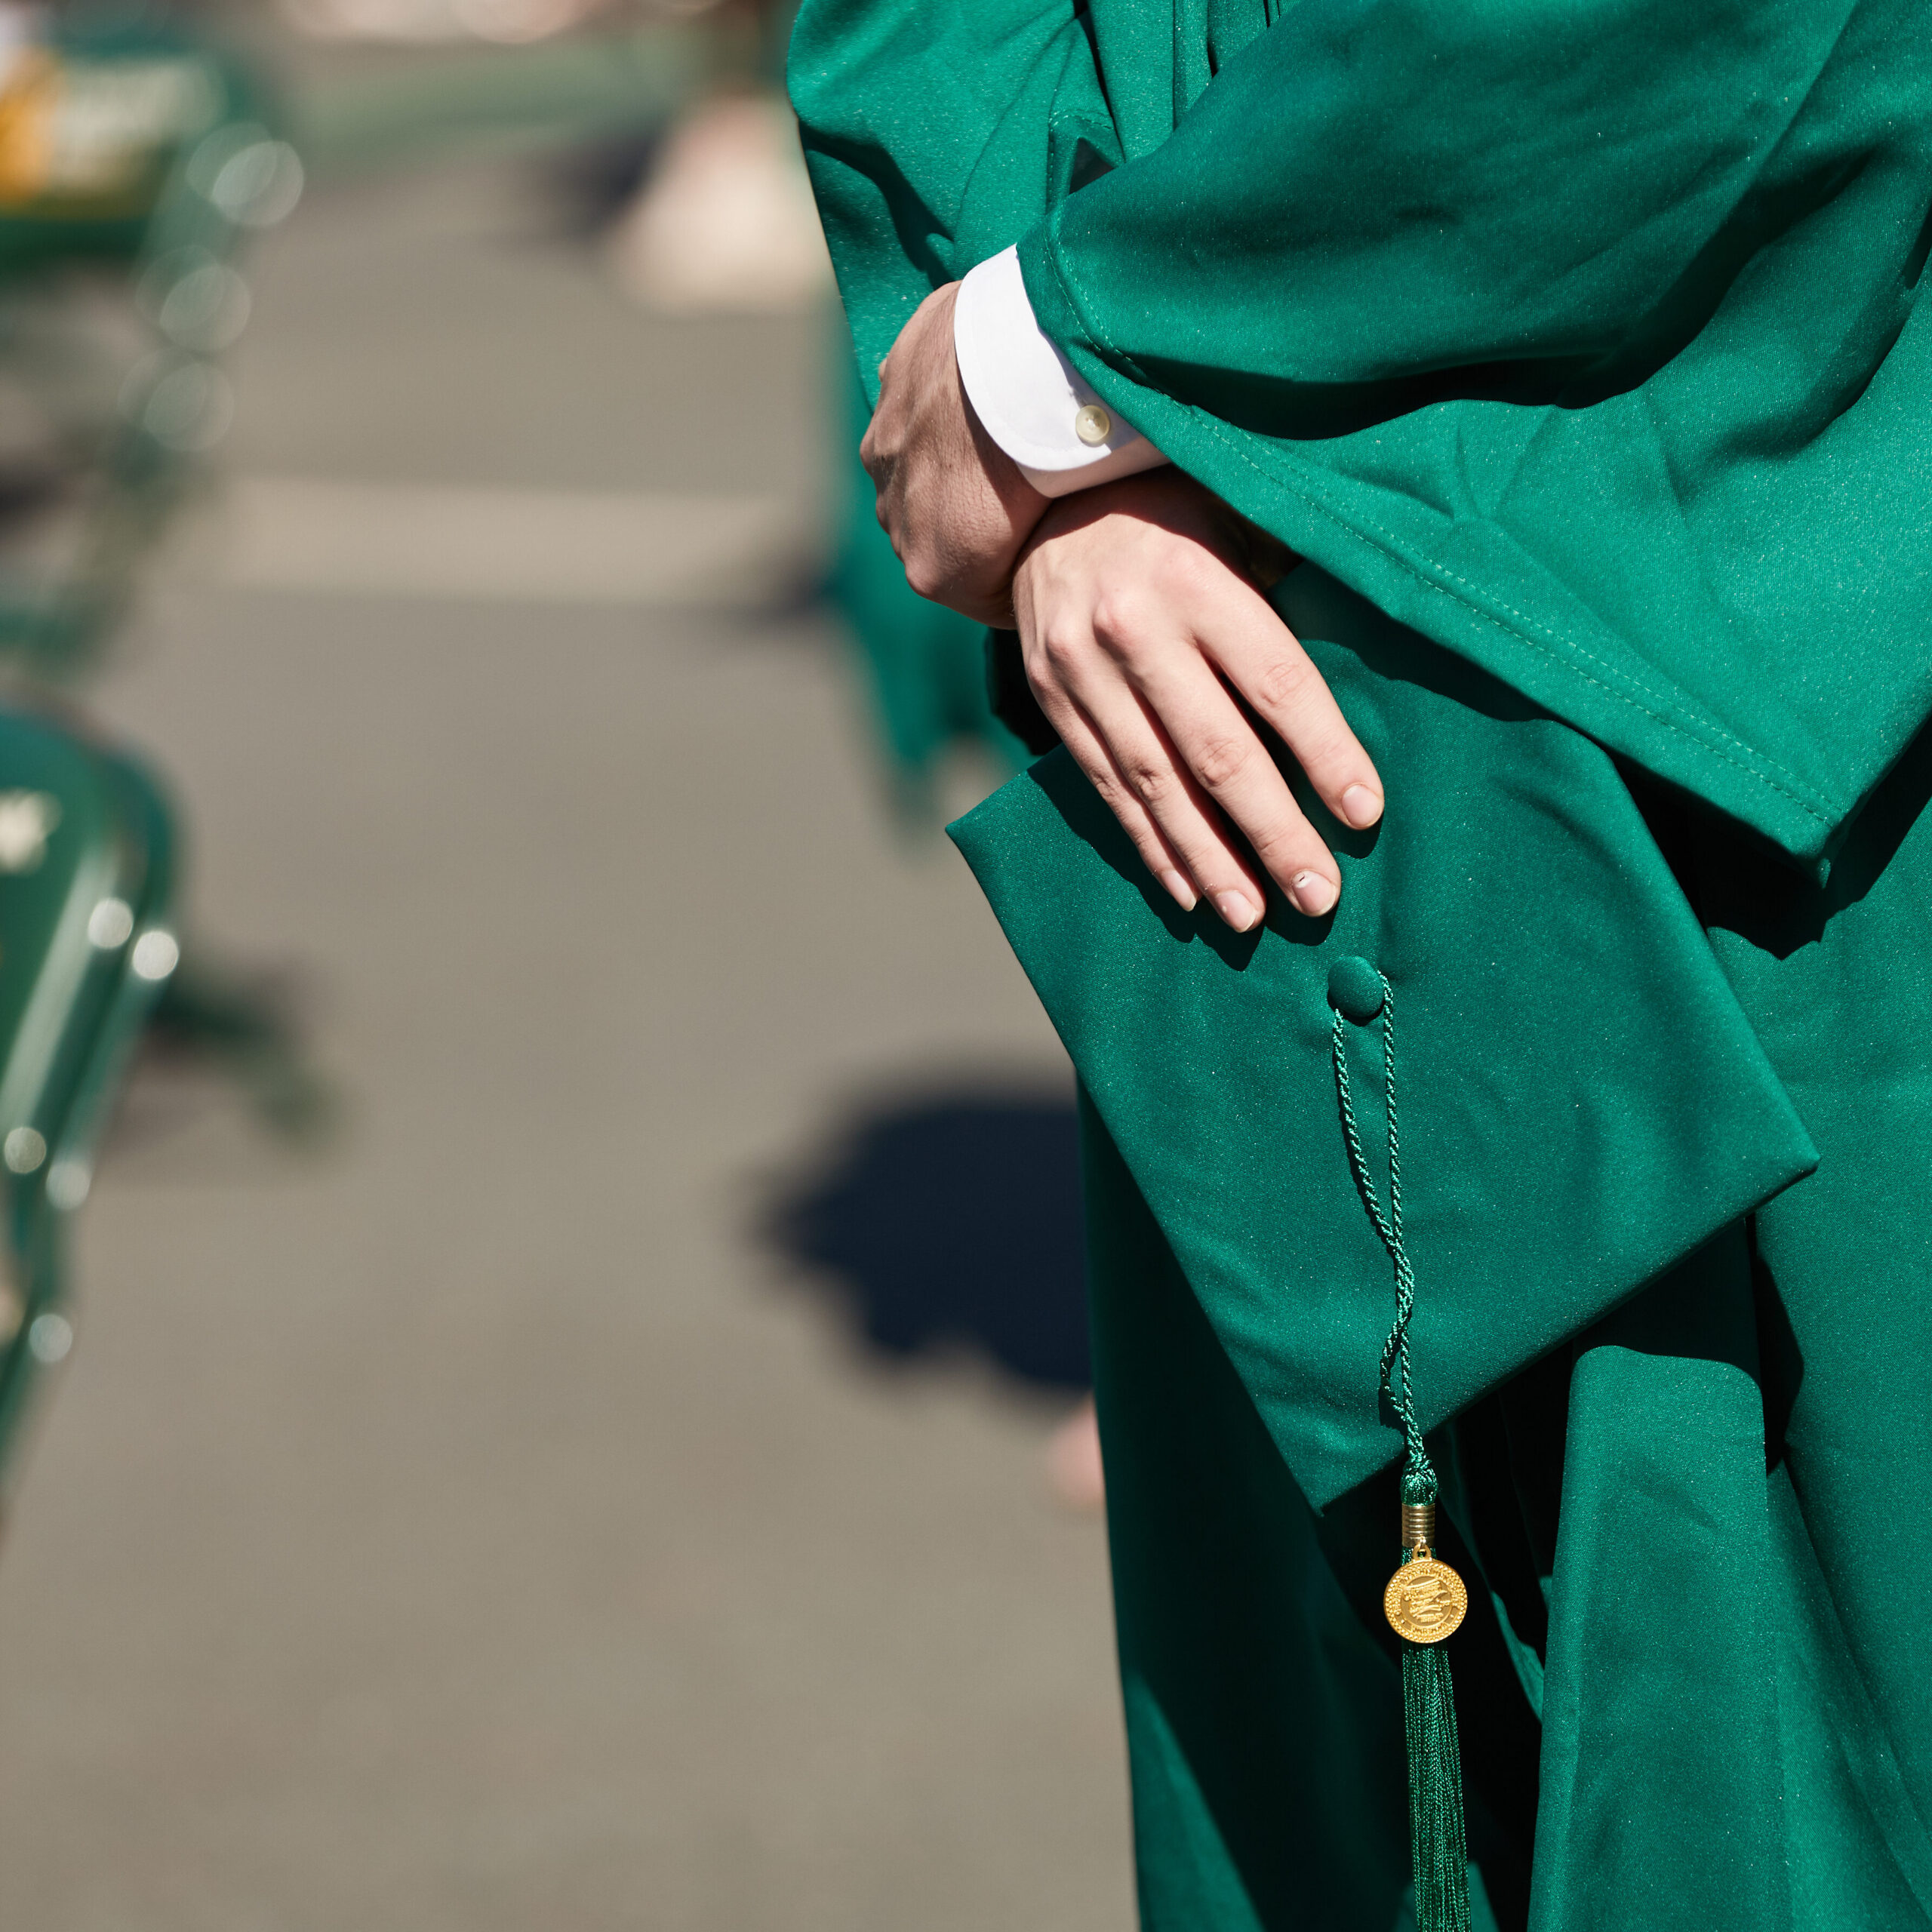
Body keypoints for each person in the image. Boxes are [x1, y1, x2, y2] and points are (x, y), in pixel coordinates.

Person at [788, 3, 1932, 1928]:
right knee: (1324, 1759)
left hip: (1714, 639)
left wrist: (1084, 346)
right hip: (1210, 727)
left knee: (1780, 1739)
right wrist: (1076, 439)